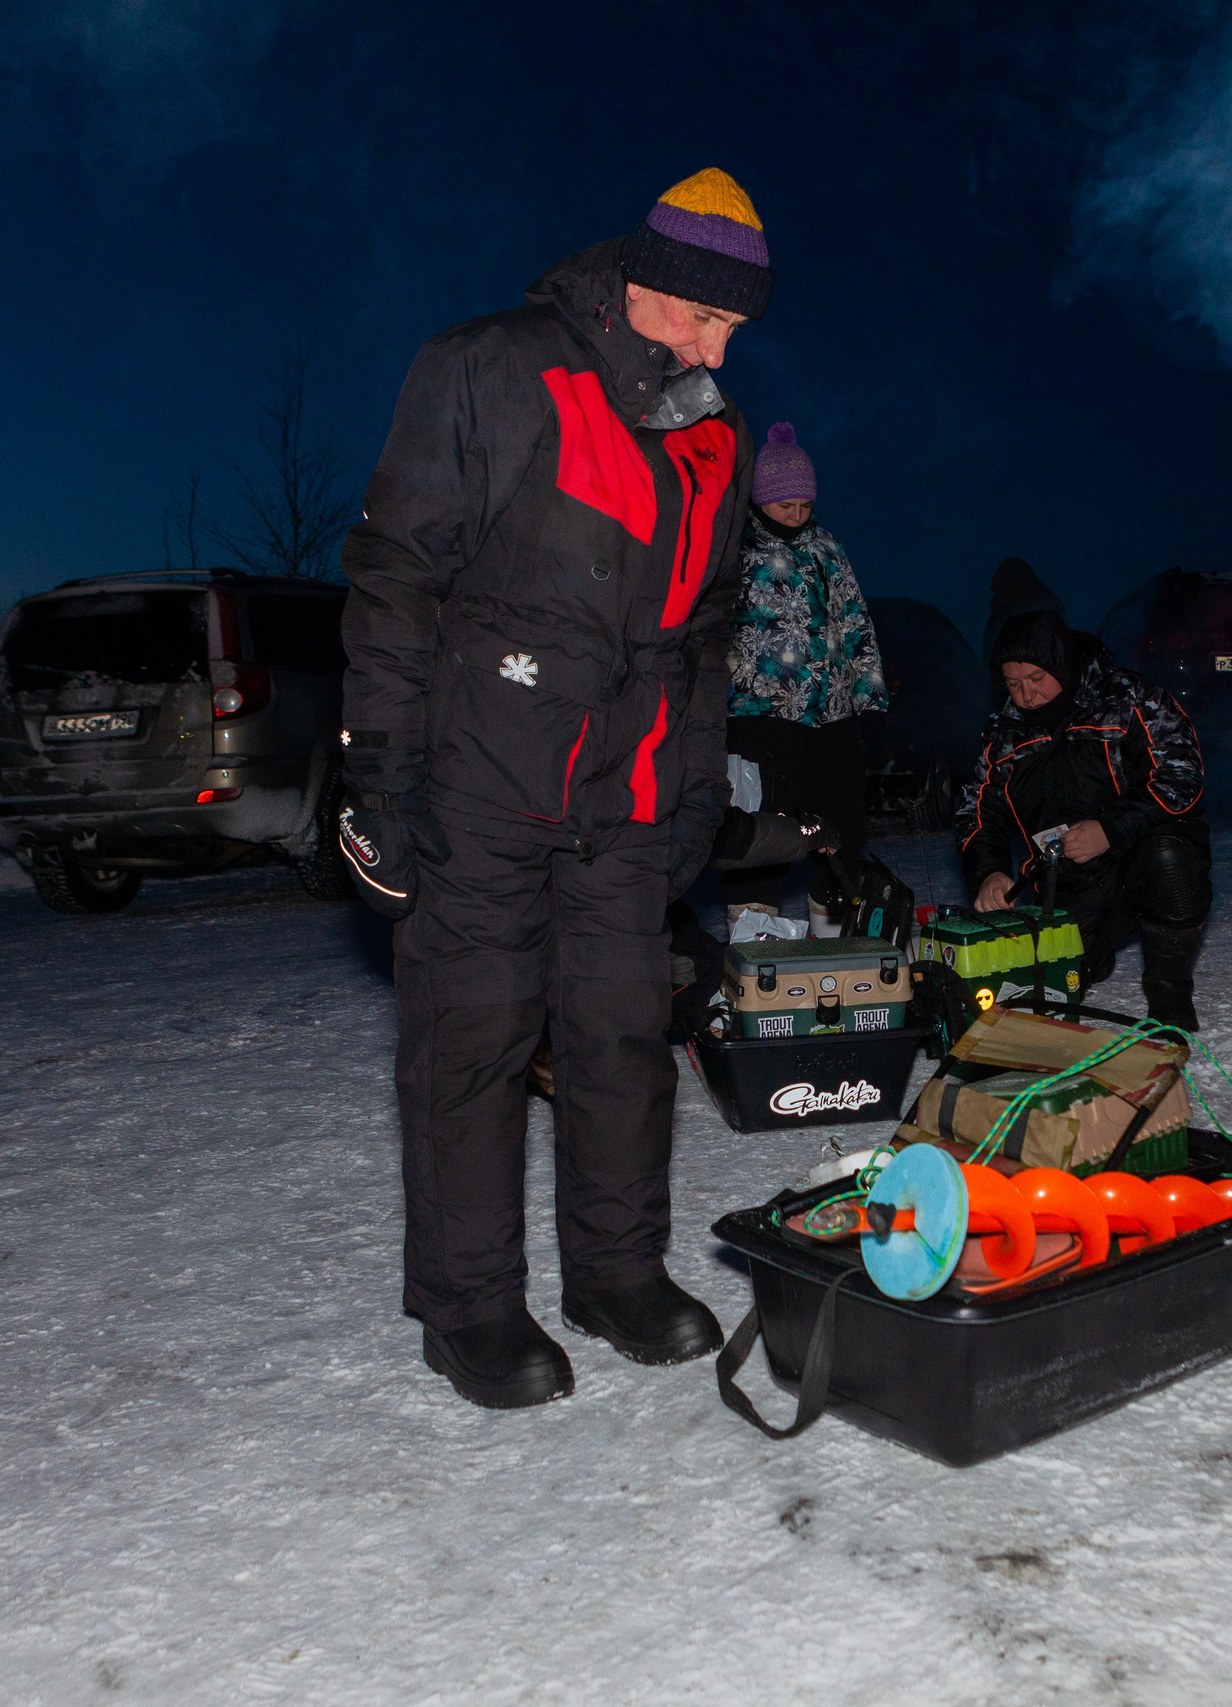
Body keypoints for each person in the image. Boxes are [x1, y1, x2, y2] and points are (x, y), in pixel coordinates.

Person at [335, 168, 769, 1409]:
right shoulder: (494, 367)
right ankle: (469, 1308)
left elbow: (705, 630)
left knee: (625, 1040)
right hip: (481, 783)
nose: (717, 346)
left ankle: (617, 1275)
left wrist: (693, 782)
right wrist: (380, 768)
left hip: (626, 804)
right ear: (646, 281)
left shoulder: (714, 436)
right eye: (704, 319)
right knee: (472, 1046)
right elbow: (397, 573)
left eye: (731, 329)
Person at [956, 609, 1212, 1030]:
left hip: (1139, 853)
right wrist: (989, 872)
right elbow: (977, 807)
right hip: (1069, 877)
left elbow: (1181, 774)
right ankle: (1099, 945)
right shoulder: (1004, 730)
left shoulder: (1127, 698)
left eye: (1036, 679)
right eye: (1013, 683)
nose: (1026, 695)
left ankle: (1170, 996)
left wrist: (1110, 829)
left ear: (1061, 664)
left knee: (1169, 860)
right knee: (1067, 976)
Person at [723, 422, 887, 934]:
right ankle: (754, 943)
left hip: (830, 712)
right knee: (761, 829)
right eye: (784, 507)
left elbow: (855, 620)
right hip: (758, 713)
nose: (796, 517)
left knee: (841, 826)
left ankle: (830, 935)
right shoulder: (734, 548)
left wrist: (868, 695)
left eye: (804, 507)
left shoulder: (826, 547)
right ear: (759, 500)